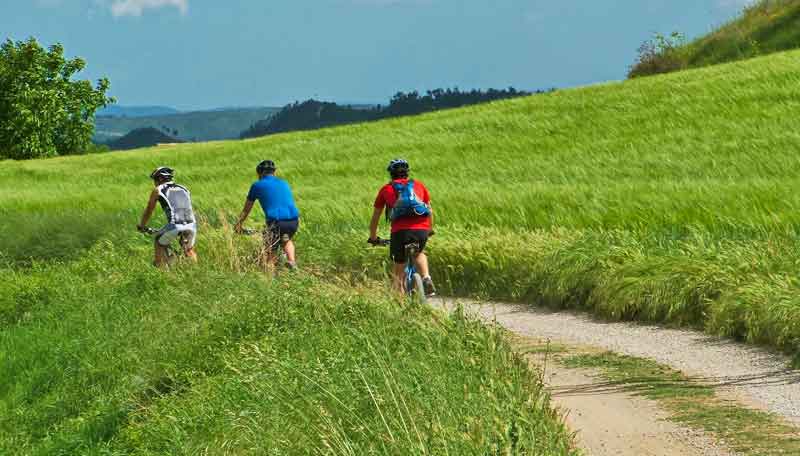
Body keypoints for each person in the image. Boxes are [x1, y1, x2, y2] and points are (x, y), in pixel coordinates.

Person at [369, 158, 436, 296]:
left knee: (398, 270)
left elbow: (375, 217)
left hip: (400, 233)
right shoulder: (418, 185)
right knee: (419, 253)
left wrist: (373, 237)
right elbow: (429, 210)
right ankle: (426, 277)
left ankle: (399, 303)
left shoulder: (386, 189)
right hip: (421, 229)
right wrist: (429, 229)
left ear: (391, 174)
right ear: (407, 173)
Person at [234, 160, 300, 269]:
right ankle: (292, 261)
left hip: (276, 222)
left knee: (270, 249)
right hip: (293, 221)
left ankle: (270, 275)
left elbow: (246, 209)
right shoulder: (284, 183)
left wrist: (238, 224)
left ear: (260, 173)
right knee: (286, 239)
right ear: (274, 172)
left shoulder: (257, 185)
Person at [137, 166, 198, 267]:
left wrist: (142, 225)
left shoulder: (158, 190)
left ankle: (162, 270)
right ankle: (196, 270)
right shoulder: (184, 188)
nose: (154, 183)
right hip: (191, 225)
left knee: (159, 241)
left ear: (160, 179)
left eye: (155, 180)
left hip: (175, 225)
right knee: (188, 249)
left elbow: (149, 210)